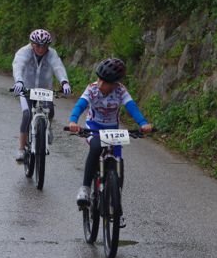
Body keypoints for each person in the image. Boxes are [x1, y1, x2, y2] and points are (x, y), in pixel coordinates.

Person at [64, 58, 151, 209]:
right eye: (100, 79)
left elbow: (132, 107)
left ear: (116, 83)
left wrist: (143, 123)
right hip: (94, 127)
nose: (101, 84)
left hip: (112, 130)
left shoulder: (120, 91)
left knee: (118, 163)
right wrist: (73, 121)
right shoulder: (91, 89)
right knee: (96, 147)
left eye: (107, 82)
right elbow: (80, 105)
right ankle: (85, 188)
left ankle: (116, 203)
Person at [11, 29, 70, 162]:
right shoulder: (24, 52)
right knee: (27, 115)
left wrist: (64, 82)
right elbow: (18, 65)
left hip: (44, 89)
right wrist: (19, 81)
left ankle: (47, 128)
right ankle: (21, 148)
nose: (41, 48)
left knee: (51, 111)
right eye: (38, 45)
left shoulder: (51, 53)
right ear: (32, 44)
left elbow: (58, 67)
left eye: (44, 46)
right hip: (25, 88)